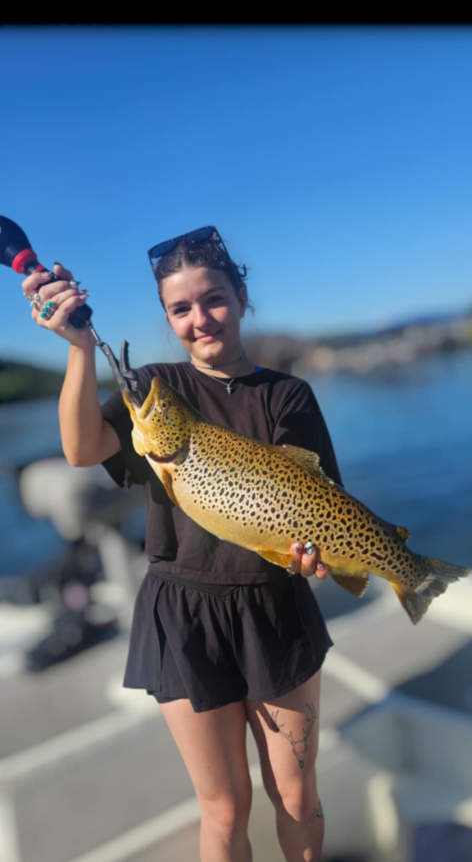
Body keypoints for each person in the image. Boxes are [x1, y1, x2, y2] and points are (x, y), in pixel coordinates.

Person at [22, 227, 344, 862]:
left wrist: (316, 555)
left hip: (274, 610)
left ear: (242, 297)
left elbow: (320, 501)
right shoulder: (153, 389)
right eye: (181, 308)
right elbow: (83, 450)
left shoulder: (287, 394)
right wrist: (79, 349)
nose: (201, 320)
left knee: (298, 797)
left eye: (214, 299)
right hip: (183, 614)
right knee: (225, 810)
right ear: (167, 316)